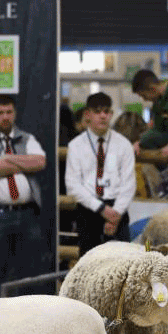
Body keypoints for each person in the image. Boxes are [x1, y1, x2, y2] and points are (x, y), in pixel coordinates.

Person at [0, 95, 48, 298]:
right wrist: (23, 161)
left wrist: (8, 158)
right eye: (0, 113)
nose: (5, 117)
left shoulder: (27, 138)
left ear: (15, 113)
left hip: (27, 214)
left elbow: (40, 162)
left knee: (29, 270)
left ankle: (27, 316)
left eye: (9, 112)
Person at [65, 92, 136, 256]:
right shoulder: (76, 145)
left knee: (121, 265)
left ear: (111, 114)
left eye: (106, 111)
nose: (103, 116)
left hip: (118, 211)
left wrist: (115, 214)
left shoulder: (123, 145)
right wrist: (102, 209)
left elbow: (129, 184)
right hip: (89, 209)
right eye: (97, 112)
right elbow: (72, 185)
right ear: (87, 115)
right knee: (89, 267)